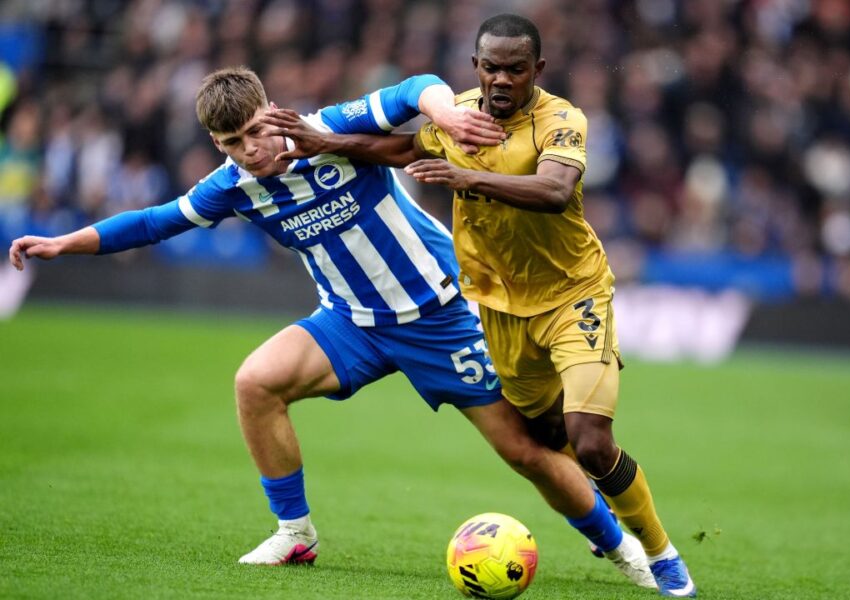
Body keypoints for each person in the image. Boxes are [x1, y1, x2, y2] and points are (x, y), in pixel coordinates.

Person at [7, 66, 656, 587]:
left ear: (271, 111)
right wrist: (66, 242)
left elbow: (409, 90)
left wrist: (445, 113)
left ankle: (620, 545)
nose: (251, 151)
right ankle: (296, 535)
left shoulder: (327, 131)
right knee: (255, 382)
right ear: (218, 145)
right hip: (353, 322)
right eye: (233, 145)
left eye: (256, 133)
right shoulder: (233, 186)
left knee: (525, 453)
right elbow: (154, 221)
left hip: (444, 317)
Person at [260, 14, 697, 598]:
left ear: (536, 70)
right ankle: (604, 516)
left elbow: (555, 191)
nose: (501, 80)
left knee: (590, 439)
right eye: (490, 67)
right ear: (475, 67)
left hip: (574, 294)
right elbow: (397, 148)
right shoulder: (459, 116)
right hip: (497, 305)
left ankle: (662, 554)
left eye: (515, 69)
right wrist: (325, 143)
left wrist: (464, 177)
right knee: (543, 435)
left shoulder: (562, 120)